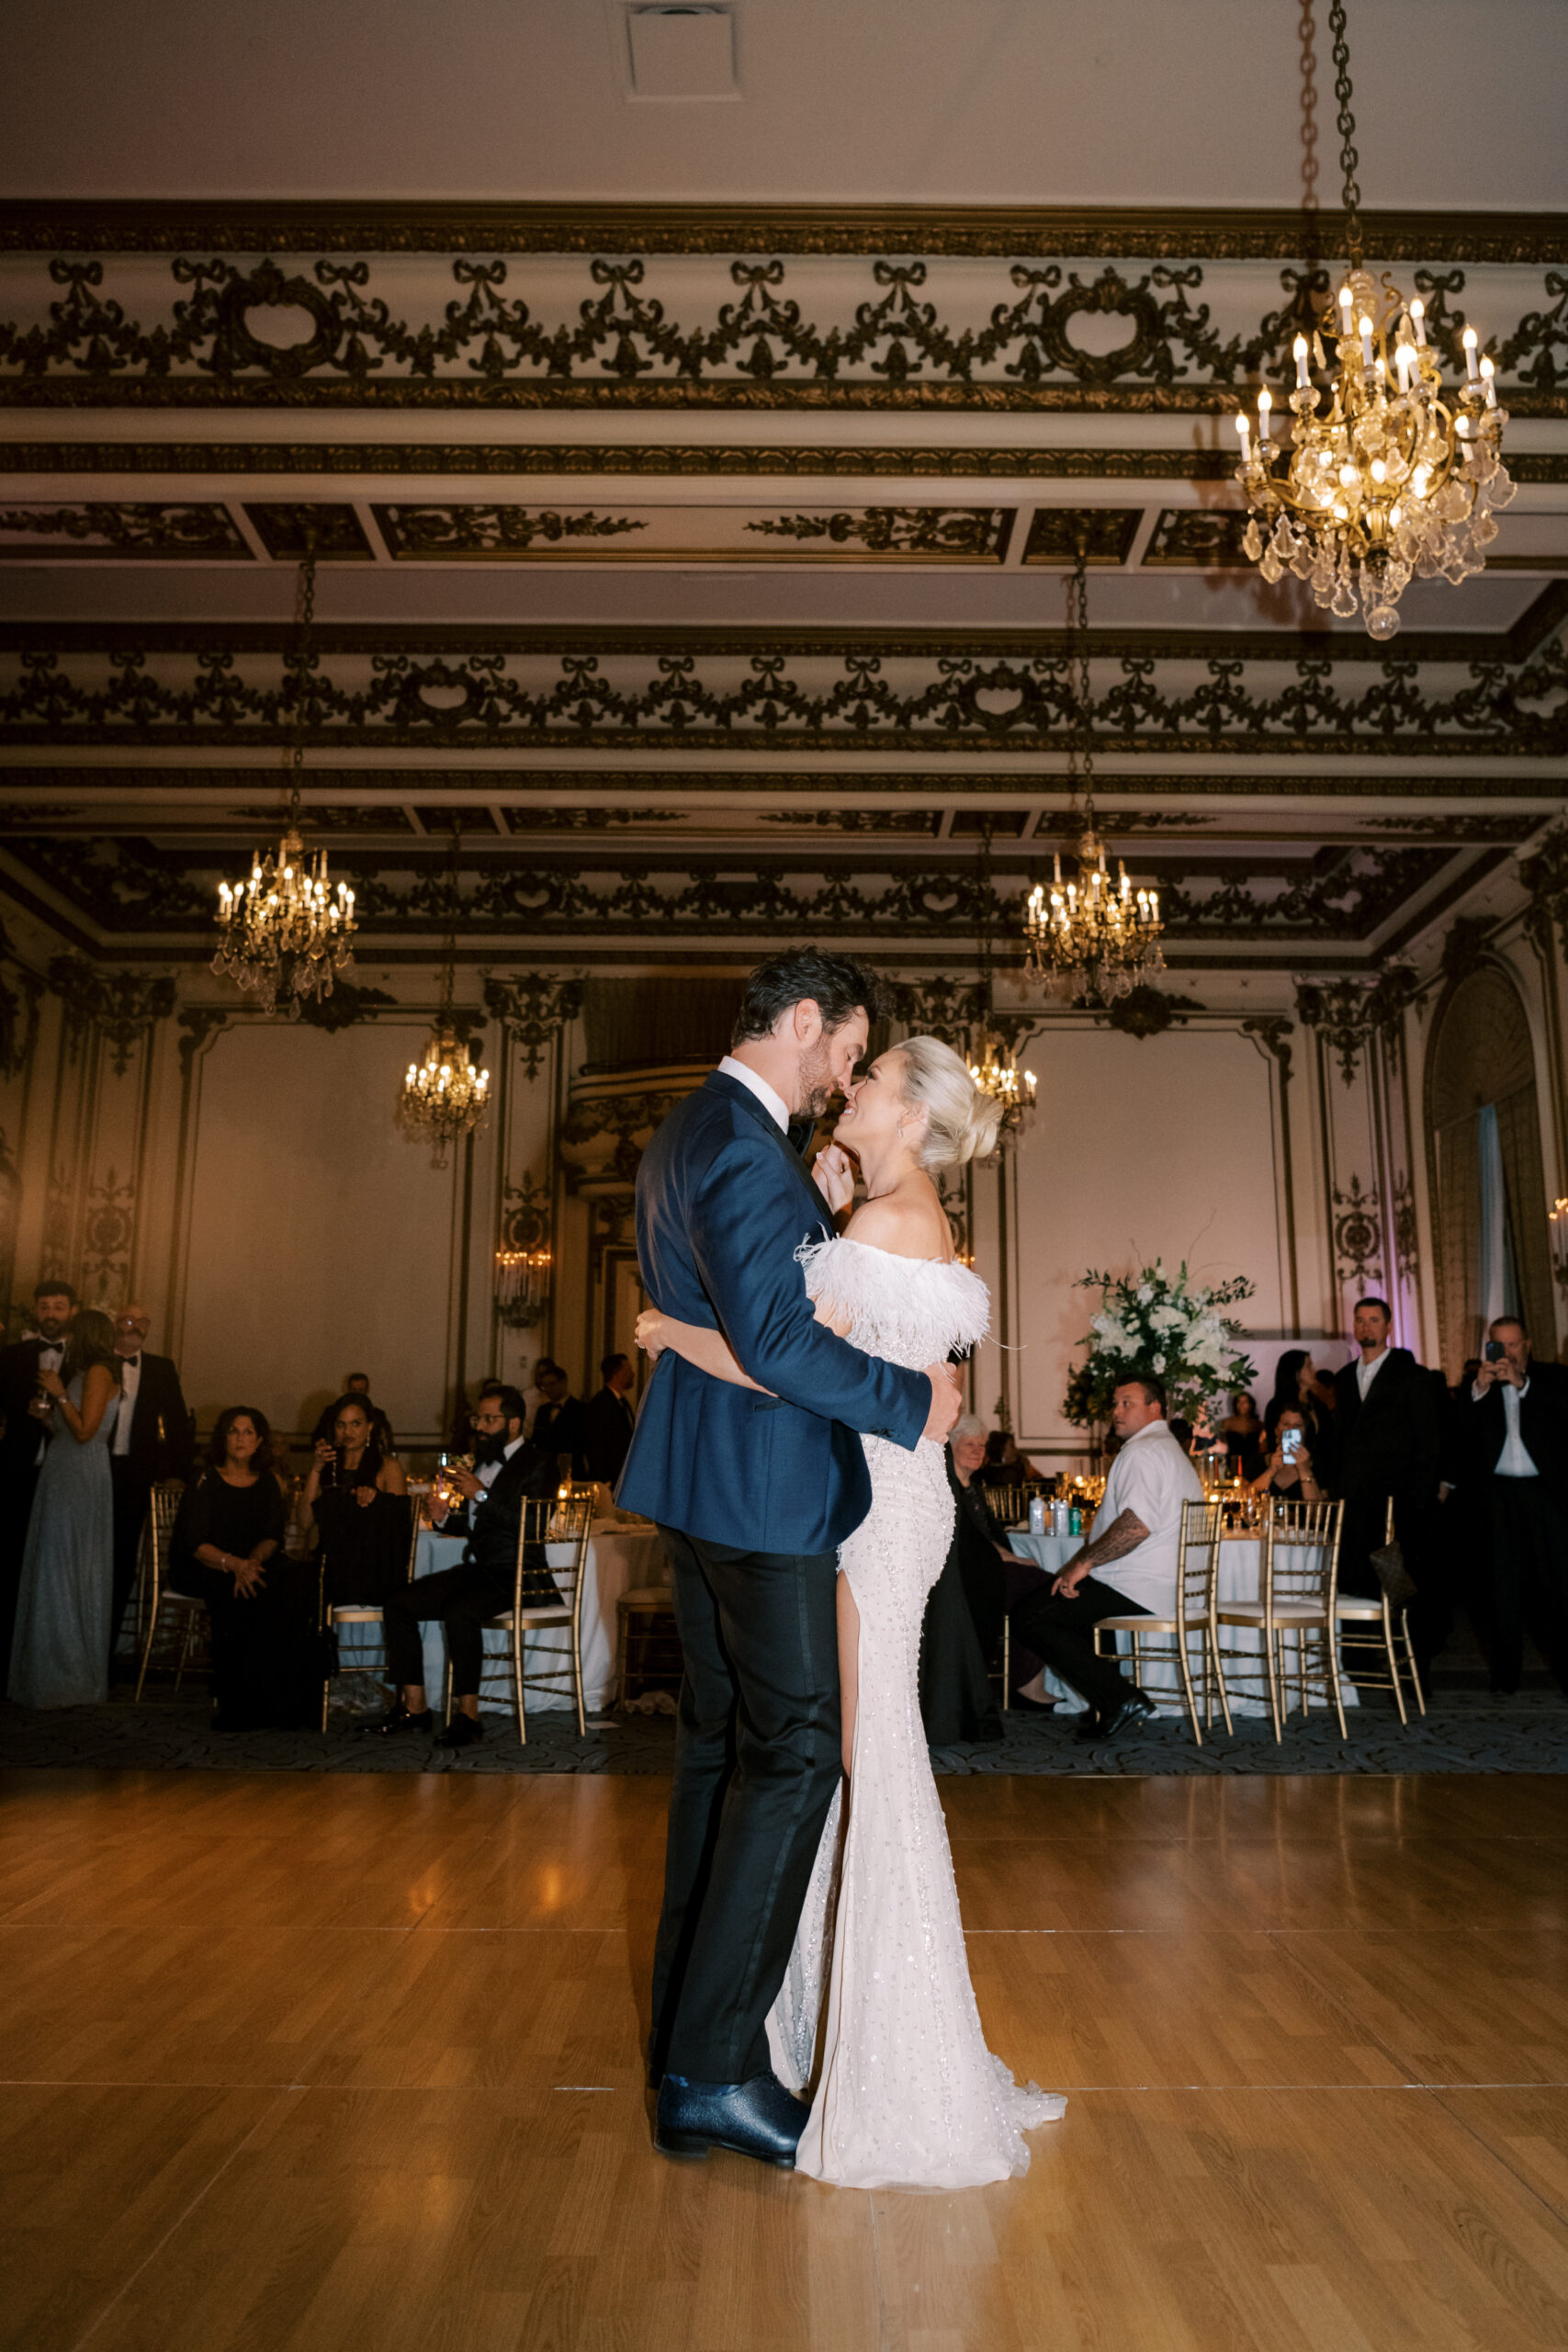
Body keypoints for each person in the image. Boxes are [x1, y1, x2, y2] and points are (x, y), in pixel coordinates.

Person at [628, 964, 1057, 2188]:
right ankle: (725, 2054)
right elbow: (783, 1341)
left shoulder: (700, 1133)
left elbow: (780, 1340)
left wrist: (677, 1336)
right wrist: (917, 1400)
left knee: (790, 1751)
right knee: (803, 1750)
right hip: (805, 1493)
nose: (842, 1084)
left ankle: (720, 2046)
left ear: (906, 1113)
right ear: (805, 1026)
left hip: (833, 1498)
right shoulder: (760, 1151)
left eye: (863, 1076)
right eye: (847, 1057)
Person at [1010, 1374, 1204, 1743]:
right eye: (1115, 1403)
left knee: (1031, 1616)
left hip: (1138, 1583)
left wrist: (1083, 1564)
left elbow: (1137, 1526)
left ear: (1155, 1407)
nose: (1116, 1411)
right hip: (1164, 1582)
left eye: (1126, 1402)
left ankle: (1121, 1699)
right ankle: (1111, 1700)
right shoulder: (1168, 1448)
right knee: (1063, 1610)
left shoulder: (1143, 1452)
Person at [370, 1382, 554, 1750]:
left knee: (459, 1611)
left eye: (489, 1419)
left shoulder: (538, 1463)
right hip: (480, 1569)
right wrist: (443, 1519)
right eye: (478, 1418)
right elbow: (476, 1523)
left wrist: (481, 1495)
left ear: (514, 1423)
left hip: (516, 1572)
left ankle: (468, 1714)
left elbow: (532, 1525)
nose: (480, 1426)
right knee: (399, 1604)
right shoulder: (484, 1462)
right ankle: (415, 1706)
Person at [170, 1408, 315, 1731]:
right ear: (223, 1438)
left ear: (259, 1439)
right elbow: (195, 1542)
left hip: (252, 1562)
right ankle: (236, 1702)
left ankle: (283, 1699)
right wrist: (233, 1565)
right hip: (206, 1563)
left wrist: (251, 1564)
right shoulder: (206, 1478)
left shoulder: (268, 1481)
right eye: (233, 1431)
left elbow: (272, 1535)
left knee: (295, 1583)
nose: (240, 1438)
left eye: (248, 1432)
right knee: (236, 1593)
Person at [7, 1306, 121, 1708]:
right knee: (52, 1564)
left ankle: (69, 1677)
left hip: (80, 1476)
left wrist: (57, 1395)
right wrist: (46, 1418)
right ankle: (47, 1671)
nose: (69, 1341)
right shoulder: (81, 1374)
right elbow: (68, 1431)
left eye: (75, 1335)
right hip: (64, 1470)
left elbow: (88, 1433)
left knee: (66, 1565)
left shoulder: (99, 1373)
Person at [919, 1413, 1053, 1744]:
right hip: (968, 1577)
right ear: (951, 1446)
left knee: (1041, 1587)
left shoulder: (973, 1485)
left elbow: (989, 1539)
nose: (978, 1452)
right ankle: (1023, 1682)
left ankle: (1026, 1679)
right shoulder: (947, 1485)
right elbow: (973, 1547)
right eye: (970, 1445)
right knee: (1040, 1586)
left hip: (986, 1569)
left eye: (981, 1446)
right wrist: (1014, 1558)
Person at [1329, 1298, 1442, 1671]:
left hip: (1398, 1503)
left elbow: (1427, 1440)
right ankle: (1359, 1664)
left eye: (1373, 1320)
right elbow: (1340, 1440)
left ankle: (1413, 1662)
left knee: (1400, 1584)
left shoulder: (1411, 1374)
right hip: (1355, 1503)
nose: (1366, 1327)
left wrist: (1420, 1497)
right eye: (1360, 1321)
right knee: (1355, 1581)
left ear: (1388, 1325)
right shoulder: (1345, 1377)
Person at [1463, 1317, 1568, 1694]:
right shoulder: (1479, 1385)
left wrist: (1522, 1386)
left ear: (1526, 1344)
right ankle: (1506, 1674)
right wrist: (1479, 1387)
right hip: (1498, 1496)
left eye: (1513, 1344)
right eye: (1498, 1345)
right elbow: (1462, 1435)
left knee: (1558, 1585)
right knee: (1501, 1588)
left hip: (1546, 1495)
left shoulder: (1553, 1378)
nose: (1506, 1352)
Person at [107, 1303, 192, 1674]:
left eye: (140, 1321)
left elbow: (176, 1422)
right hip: (93, 1466)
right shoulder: (96, 1361)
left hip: (135, 1476)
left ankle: (105, 1652)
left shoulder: (160, 1367)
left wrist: (177, 1471)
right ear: (114, 1323)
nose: (133, 1326)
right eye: (126, 1319)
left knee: (122, 1558)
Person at [0, 1278, 77, 1679]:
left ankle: (48, 1658)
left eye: (59, 1307)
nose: (51, 1314)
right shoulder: (12, 1357)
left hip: (68, 1474)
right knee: (11, 1562)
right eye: (45, 1307)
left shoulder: (86, 1360)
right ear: (36, 1311)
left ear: (73, 1312)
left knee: (56, 1566)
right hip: (16, 1474)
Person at [296, 1392, 411, 1608]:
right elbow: (304, 1522)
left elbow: (401, 1523)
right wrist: (315, 1470)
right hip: (330, 1563)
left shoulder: (388, 1467)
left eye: (355, 1424)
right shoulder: (328, 1467)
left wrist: (377, 1500)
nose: (347, 1432)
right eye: (341, 1425)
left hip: (372, 1566)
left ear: (369, 1427)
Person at [1266, 1349, 1337, 1479]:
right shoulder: (1277, 1406)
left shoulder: (1318, 1405)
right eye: (1309, 1366)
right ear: (1296, 1372)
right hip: (1291, 1471)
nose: (1314, 1370)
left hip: (1322, 1471)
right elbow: (1272, 1443)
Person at [1248, 1403, 1325, 1504]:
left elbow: (1318, 1514)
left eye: (1298, 1425)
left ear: (1305, 1432)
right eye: (1285, 1424)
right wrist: (1271, 1470)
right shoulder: (1257, 1462)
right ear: (1276, 1430)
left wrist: (1304, 1469)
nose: (1291, 1429)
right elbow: (1246, 1501)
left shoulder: (1319, 1465)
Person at [583, 1351, 637, 1486]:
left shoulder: (622, 1402)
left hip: (621, 1476)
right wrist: (604, 1479)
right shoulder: (601, 1403)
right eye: (629, 1369)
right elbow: (595, 1444)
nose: (633, 1374)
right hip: (608, 1479)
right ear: (618, 1373)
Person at [532, 1359, 589, 1480]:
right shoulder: (542, 1410)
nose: (548, 1389)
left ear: (563, 1383)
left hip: (573, 1470)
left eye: (551, 1384)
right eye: (545, 1386)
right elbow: (537, 1440)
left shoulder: (580, 1409)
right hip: (546, 1471)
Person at [1217, 1389, 1265, 1479]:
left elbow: (1262, 1447)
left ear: (1250, 1405)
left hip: (1253, 1464)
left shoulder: (1259, 1424)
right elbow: (1223, 1445)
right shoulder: (1227, 1423)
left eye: (1245, 1402)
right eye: (1239, 1402)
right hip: (1233, 1463)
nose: (1242, 1405)